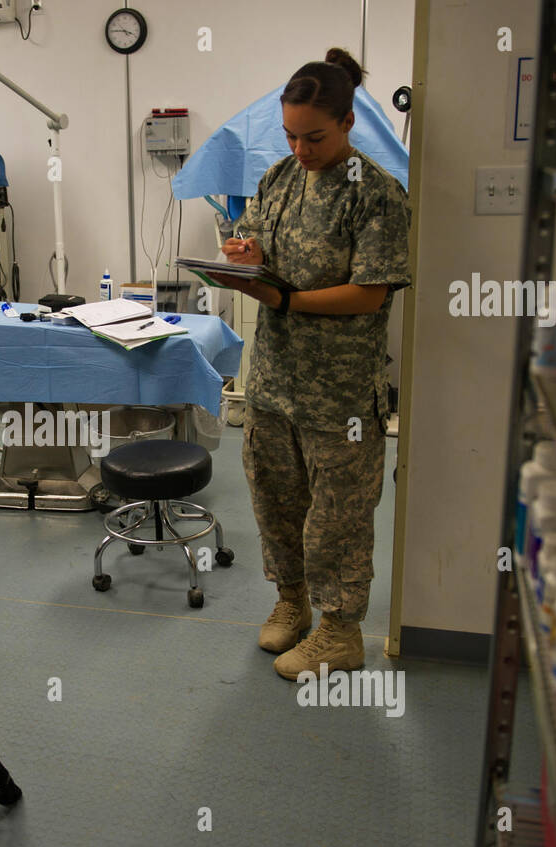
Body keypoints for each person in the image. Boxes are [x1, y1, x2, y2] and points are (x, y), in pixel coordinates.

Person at [219, 48, 411, 680]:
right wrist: (240, 253)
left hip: (340, 394)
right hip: (274, 382)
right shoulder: (278, 178)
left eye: (316, 137)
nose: (302, 149)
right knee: (278, 501)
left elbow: (371, 291)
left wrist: (287, 298)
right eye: (292, 136)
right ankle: (293, 603)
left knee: (338, 515)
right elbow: (250, 238)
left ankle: (340, 631)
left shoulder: (376, 195)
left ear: (349, 122)